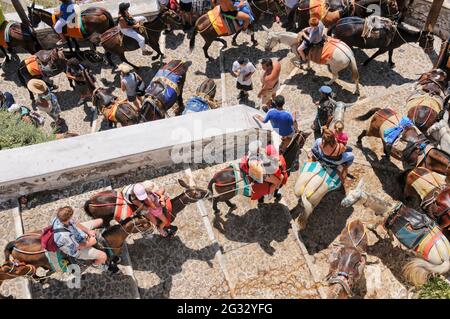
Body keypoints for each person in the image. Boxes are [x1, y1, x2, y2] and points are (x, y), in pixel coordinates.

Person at [52, 206, 108, 271]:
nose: (72, 217)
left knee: (100, 221)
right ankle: (96, 265)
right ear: (68, 218)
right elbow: (77, 247)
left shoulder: (59, 218)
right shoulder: (64, 236)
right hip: (76, 249)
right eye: (71, 217)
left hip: (75, 231)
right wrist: (90, 242)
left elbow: (75, 223)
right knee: (103, 256)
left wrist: (88, 231)